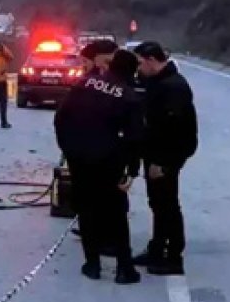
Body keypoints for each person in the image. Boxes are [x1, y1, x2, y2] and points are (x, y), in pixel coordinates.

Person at [54, 49, 144, 284]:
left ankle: (92, 264)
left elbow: (61, 118)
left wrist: (68, 148)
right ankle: (124, 268)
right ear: (132, 72)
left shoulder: (84, 83)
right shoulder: (129, 96)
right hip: (109, 161)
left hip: (79, 158)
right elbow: (135, 138)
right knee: (116, 213)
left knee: (86, 210)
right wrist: (132, 170)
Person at [131, 41, 198, 276]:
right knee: (157, 203)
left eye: (140, 63)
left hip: (167, 154)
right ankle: (157, 248)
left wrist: (162, 161)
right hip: (154, 151)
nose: (138, 68)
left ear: (151, 60)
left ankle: (173, 256)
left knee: (167, 203)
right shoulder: (157, 82)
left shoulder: (173, 87)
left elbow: (173, 129)